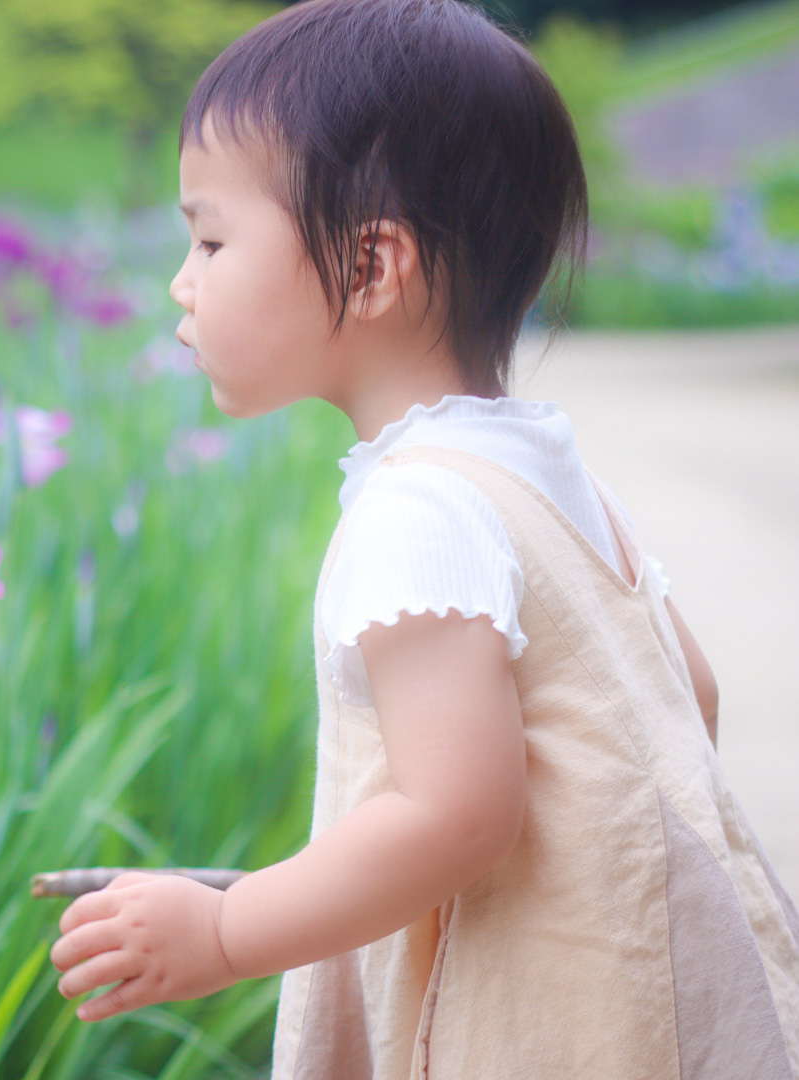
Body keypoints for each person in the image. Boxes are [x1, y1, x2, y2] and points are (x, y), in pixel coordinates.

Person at [46, 0, 799, 1075]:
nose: (182, 279)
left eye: (211, 237)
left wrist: (229, 930)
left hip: (538, 1030)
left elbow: (458, 815)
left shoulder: (417, 507)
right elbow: (693, 693)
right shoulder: (541, 468)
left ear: (370, 267)